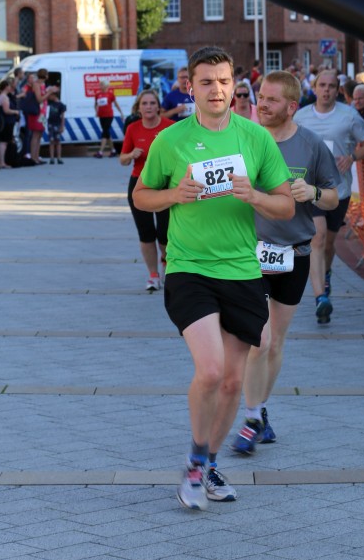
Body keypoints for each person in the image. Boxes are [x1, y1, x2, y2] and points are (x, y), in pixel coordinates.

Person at [133, 46, 293, 510]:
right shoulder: (171, 140)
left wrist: (256, 196)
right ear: (191, 88)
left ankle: (207, 462)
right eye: (206, 82)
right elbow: (141, 196)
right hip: (189, 268)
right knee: (210, 370)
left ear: (234, 85)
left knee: (231, 382)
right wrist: (174, 194)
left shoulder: (255, 138)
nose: (217, 90)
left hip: (241, 271)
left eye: (224, 81)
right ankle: (195, 462)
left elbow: (285, 205)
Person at [230, 71, 339, 454]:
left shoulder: (311, 145)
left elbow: (334, 197)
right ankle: (251, 418)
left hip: (294, 253)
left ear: (292, 106)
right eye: (261, 96)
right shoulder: (242, 138)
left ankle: (260, 409)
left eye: (272, 99)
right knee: (258, 340)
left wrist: (314, 192)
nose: (262, 104)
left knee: (275, 343)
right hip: (249, 253)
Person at [294, 69, 364, 324]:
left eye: (331, 86)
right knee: (316, 238)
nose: (326, 90)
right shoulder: (301, 116)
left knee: (328, 243)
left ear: (337, 90)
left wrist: (352, 157)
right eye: (322, 85)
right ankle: (320, 298)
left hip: (338, 190)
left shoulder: (348, 115)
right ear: (315, 88)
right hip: (310, 188)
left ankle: (326, 274)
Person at [120, 89, 174, 291]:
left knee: (165, 233)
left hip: (164, 185)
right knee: (146, 233)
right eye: (145, 103)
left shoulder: (170, 127)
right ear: (138, 108)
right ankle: (153, 275)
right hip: (139, 184)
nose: (149, 107)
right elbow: (122, 159)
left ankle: (167, 264)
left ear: (158, 107)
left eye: (152, 103)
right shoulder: (133, 128)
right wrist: (131, 154)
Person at [94, 78, 122, 158]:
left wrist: (121, 113)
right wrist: (96, 111)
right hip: (101, 116)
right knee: (107, 133)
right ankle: (113, 150)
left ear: (106, 86)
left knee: (104, 132)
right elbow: (96, 104)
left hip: (109, 115)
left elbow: (116, 104)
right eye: (100, 85)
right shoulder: (98, 95)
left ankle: (100, 152)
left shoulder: (110, 94)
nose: (100, 86)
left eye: (102, 85)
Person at [0, 79, 20, 168]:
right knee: (4, 142)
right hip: (6, 122)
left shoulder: (2, 96)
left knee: (4, 141)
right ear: (6, 87)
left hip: (7, 122)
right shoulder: (4, 97)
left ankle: (1, 161)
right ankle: (2, 162)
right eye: (9, 86)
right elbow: (6, 110)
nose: (11, 88)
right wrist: (15, 112)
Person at [47, 89, 66, 164]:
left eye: (50, 95)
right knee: (51, 141)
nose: (49, 96)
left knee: (58, 141)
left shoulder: (61, 105)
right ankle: (52, 158)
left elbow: (63, 117)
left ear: (54, 95)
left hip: (57, 124)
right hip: (50, 124)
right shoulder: (49, 103)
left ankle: (59, 158)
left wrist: (62, 126)